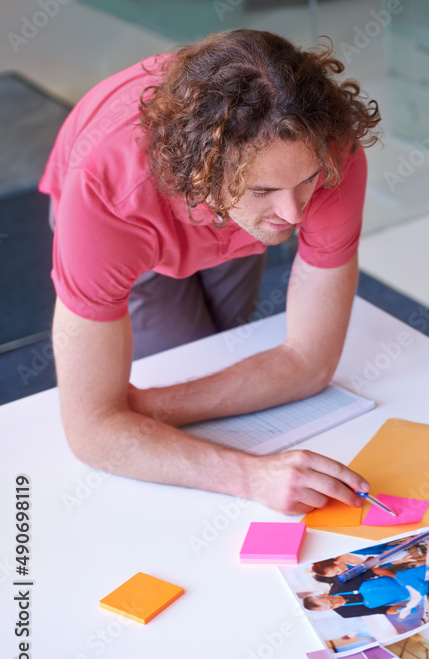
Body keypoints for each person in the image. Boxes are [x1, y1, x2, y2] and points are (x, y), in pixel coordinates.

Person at [39, 29, 381, 515]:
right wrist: (252, 476)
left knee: (223, 339)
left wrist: (137, 411)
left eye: (306, 183)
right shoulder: (107, 192)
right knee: (184, 354)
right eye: (264, 190)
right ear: (199, 176)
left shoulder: (328, 153)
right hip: (134, 220)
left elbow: (308, 364)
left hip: (230, 213)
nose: (296, 214)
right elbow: (91, 432)